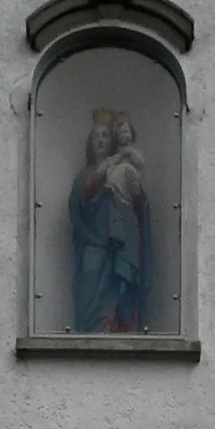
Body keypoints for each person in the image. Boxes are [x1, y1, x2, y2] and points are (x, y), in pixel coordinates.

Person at [69, 108, 151, 332]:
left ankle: (119, 331)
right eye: (95, 137)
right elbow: (78, 205)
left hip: (120, 244)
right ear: (89, 144)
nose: (100, 140)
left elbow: (138, 201)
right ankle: (90, 333)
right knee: (89, 289)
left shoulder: (122, 168)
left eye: (105, 136)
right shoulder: (84, 175)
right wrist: (102, 175)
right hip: (94, 244)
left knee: (121, 286)